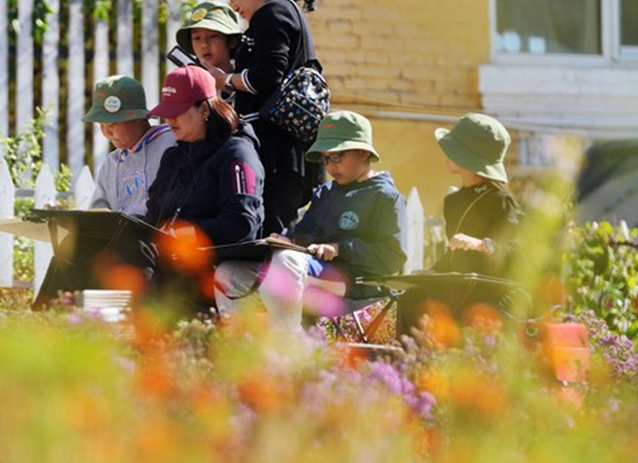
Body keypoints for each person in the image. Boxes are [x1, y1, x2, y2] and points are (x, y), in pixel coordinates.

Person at [215, 111, 407, 329]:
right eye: (325, 159)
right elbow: (305, 232)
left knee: (286, 261)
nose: (329, 166)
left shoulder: (385, 197)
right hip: (307, 272)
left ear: (363, 153)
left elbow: (393, 257)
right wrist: (287, 239)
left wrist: (340, 248)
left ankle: (288, 349)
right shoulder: (325, 192)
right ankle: (239, 346)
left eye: (336, 156)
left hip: (354, 282)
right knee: (229, 272)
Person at [217, 0, 322, 237]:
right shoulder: (284, 11)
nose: (233, 5)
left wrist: (224, 78)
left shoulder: (272, 12)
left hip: (277, 152)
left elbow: (267, 76)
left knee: (272, 241)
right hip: (286, 152)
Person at [142, 65, 264, 306]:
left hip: (207, 270)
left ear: (205, 109)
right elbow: (153, 216)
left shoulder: (236, 153)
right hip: (168, 266)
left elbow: (242, 223)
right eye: (167, 111)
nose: (169, 119)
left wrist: (189, 234)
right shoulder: (173, 157)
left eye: (177, 111)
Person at [396, 113, 522, 334]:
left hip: (488, 291)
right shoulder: (453, 202)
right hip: (456, 286)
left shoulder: (502, 201)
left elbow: (514, 254)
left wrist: (481, 244)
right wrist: (429, 273)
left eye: (455, 149)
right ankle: (410, 364)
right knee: (411, 298)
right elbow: (454, 255)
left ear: (470, 158)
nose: (446, 154)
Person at [84, 75, 175, 215]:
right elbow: (97, 214)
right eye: (101, 124)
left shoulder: (171, 143)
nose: (107, 132)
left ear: (138, 118)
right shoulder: (111, 164)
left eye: (113, 123)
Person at [174, 1, 244, 111]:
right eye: (197, 38)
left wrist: (226, 84)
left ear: (232, 42)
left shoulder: (246, 79)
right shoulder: (188, 85)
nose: (204, 45)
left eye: (212, 36)